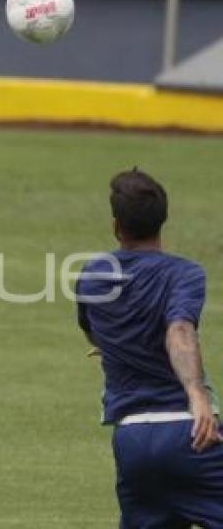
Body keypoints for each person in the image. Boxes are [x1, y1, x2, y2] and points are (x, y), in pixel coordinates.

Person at [76, 168, 223, 528]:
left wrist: (117, 344)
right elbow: (179, 329)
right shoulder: (183, 273)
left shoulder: (93, 276)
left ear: (116, 226)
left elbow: (93, 333)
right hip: (191, 436)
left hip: (132, 441)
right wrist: (197, 394)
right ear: (163, 219)